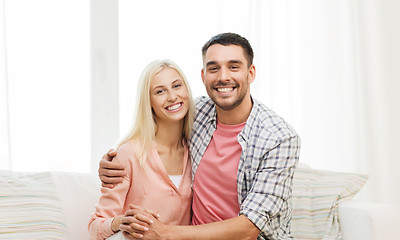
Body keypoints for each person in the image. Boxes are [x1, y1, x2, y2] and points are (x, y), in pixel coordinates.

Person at [99, 33, 301, 239]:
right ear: (203, 76)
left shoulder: (279, 139)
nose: (223, 77)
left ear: (251, 73)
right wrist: (114, 161)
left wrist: (164, 233)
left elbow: (249, 228)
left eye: (233, 66)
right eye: (214, 68)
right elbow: (157, 124)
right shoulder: (197, 113)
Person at [88, 59, 196, 240]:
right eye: (160, 91)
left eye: (177, 86)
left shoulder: (197, 151)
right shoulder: (128, 154)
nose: (172, 96)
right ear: (149, 102)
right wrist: (122, 222)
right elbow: (95, 227)